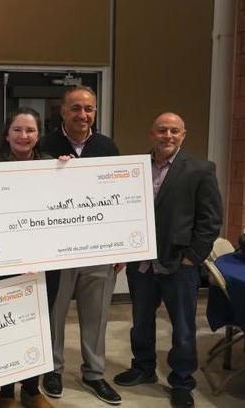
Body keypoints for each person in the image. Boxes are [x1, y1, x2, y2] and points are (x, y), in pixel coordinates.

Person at [114, 113, 222, 408]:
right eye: (162, 130)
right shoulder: (133, 168)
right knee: (141, 321)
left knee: (184, 327)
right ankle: (144, 368)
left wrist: (193, 258)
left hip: (179, 265)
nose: (168, 136)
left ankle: (182, 381)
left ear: (183, 135)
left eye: (174, 131)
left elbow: (211, 220)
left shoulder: (201, 169)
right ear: (152, 133)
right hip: (142, 264)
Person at [39, 86, 122, 405]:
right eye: (75, 108)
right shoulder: (45, 146)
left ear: (95, 112)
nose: (82, 115)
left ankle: (94, 374)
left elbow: (118, 198)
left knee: (97, 313)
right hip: (56, 249)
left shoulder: (107, 147)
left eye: (88, 109)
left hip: (99, 249)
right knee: (55, 313)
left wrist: (122, 246)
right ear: (62, 111)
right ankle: (54, 370)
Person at [0, 108, 54, 408]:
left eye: (29, 130)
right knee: (6, 326)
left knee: (38, 324)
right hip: (4, 263)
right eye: (17, 129)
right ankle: (5, 393)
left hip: (45, 262)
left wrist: (71, 172)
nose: (23, 136)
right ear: (7, 134)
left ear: (38, 135)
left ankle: (31, 389)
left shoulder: (54, 167)